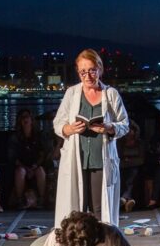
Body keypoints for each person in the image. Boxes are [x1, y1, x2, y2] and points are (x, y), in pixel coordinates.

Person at [52, 49, 130, 227]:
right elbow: (58, 124)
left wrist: (110, 127)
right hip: (76, 158)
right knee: (75, 212)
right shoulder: (72, 93)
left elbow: (125, 124)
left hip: (100, 160)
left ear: (100, 69)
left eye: (92, 70)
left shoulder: (111, 94)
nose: (87, 75)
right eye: (83, 71)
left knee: (99, 210)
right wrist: (69, 128)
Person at [8, 109, 50, 209]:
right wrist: (26, 168)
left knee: (40, 171)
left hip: (35, 165)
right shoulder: (15, 137)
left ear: (31, 119)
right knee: (20, 172)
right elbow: (13, 157)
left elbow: (42, 154)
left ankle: (41, 199)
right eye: (22, 117)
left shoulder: (38, 135)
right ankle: (19, 200)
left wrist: (35, 166)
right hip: (22, 166)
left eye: (27, 117)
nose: (25, 119)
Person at [117, 120, 145, 213]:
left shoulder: (139, 143)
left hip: (136, 167)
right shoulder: (120, 143)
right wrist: (127, 162)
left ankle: (124, 198)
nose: (129, 132)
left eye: (131, 130)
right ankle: (128, 200)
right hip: (122, 166)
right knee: (122, 174)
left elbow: (141, 160)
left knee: (132, 174)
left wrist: (128, 161)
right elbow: (118, 157)